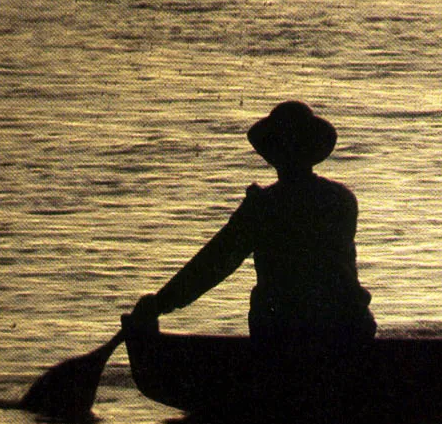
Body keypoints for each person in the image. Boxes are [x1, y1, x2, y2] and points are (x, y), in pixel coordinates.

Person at [131, 101, 376, 349]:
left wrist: (161, 303)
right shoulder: (341, 198)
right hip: (350, 327)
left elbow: (215, 261)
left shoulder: (263, 207)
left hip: (284, 333)